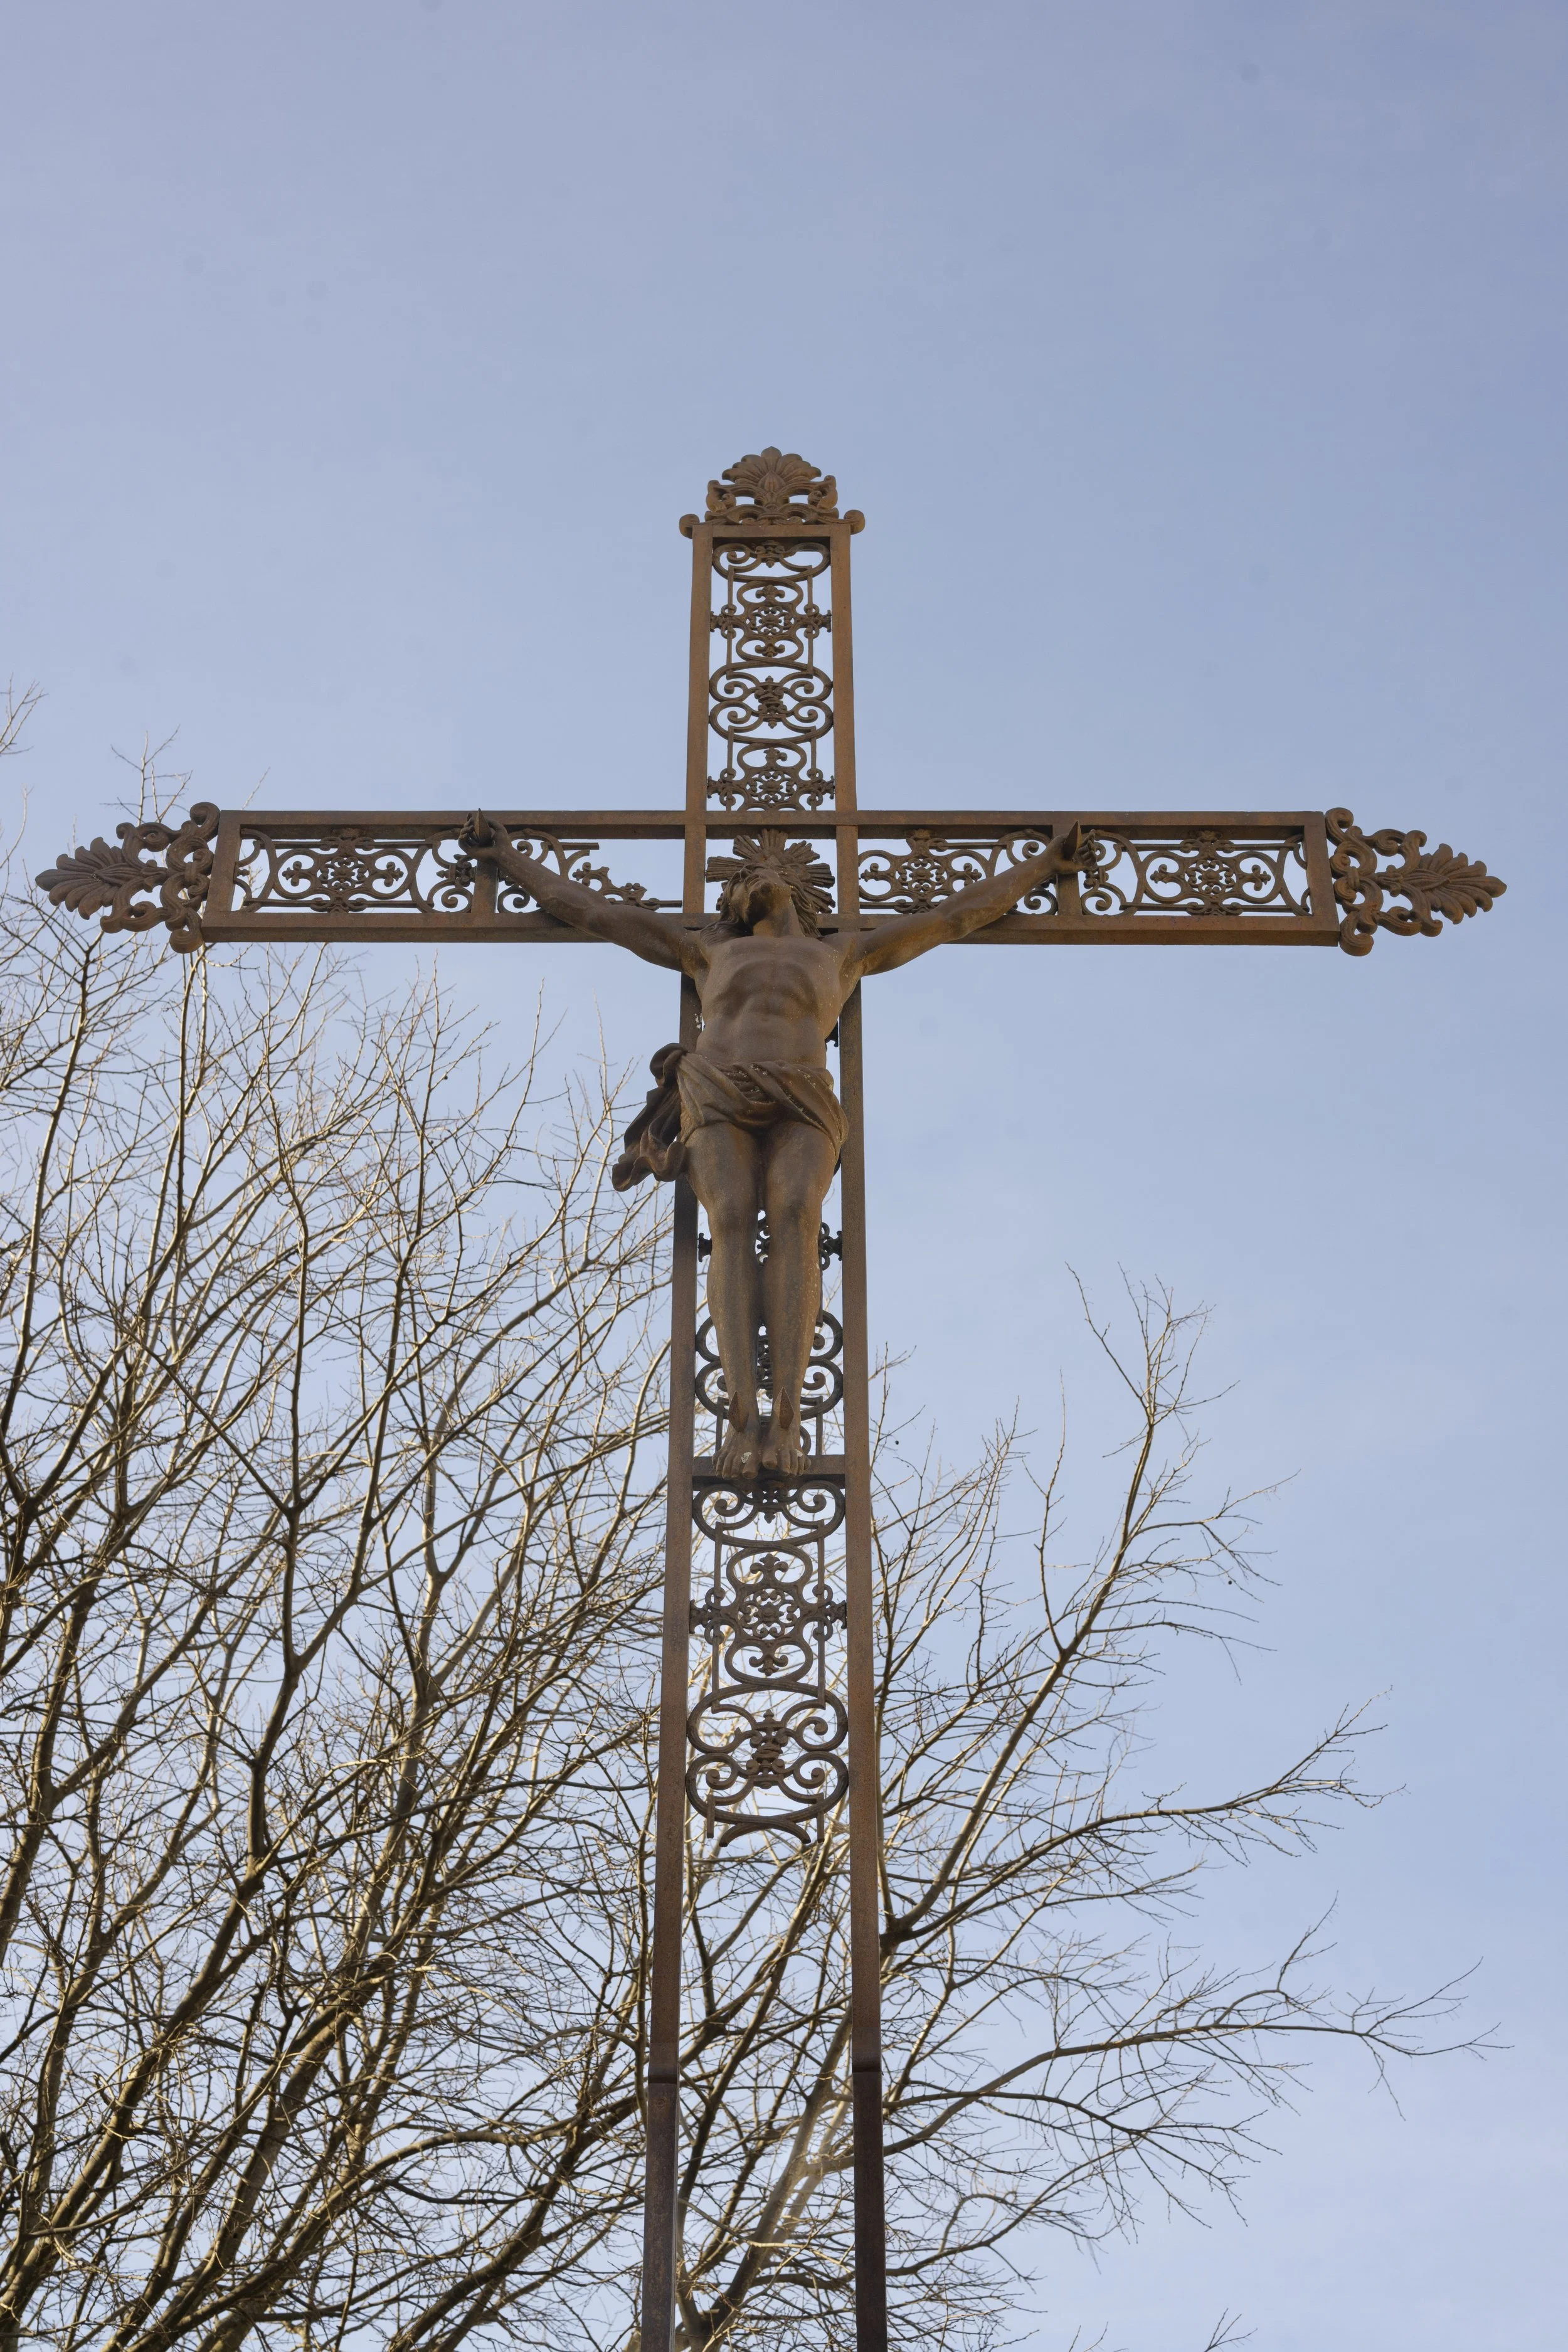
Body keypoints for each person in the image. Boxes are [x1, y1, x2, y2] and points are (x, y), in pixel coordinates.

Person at [462, 815, 1085, 1478]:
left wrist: (1045, 867)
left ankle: (785, 1411)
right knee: (728, 1218)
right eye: (736, 882)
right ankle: (740, 1409)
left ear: (792, 886)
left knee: (795, 1214)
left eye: (760, 873)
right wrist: (506, 859)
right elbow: (592, 912)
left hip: (803, 1095)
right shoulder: (706, 951)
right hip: (718, 1091)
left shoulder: (844, 954)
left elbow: (955, 916)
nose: (746, 883)